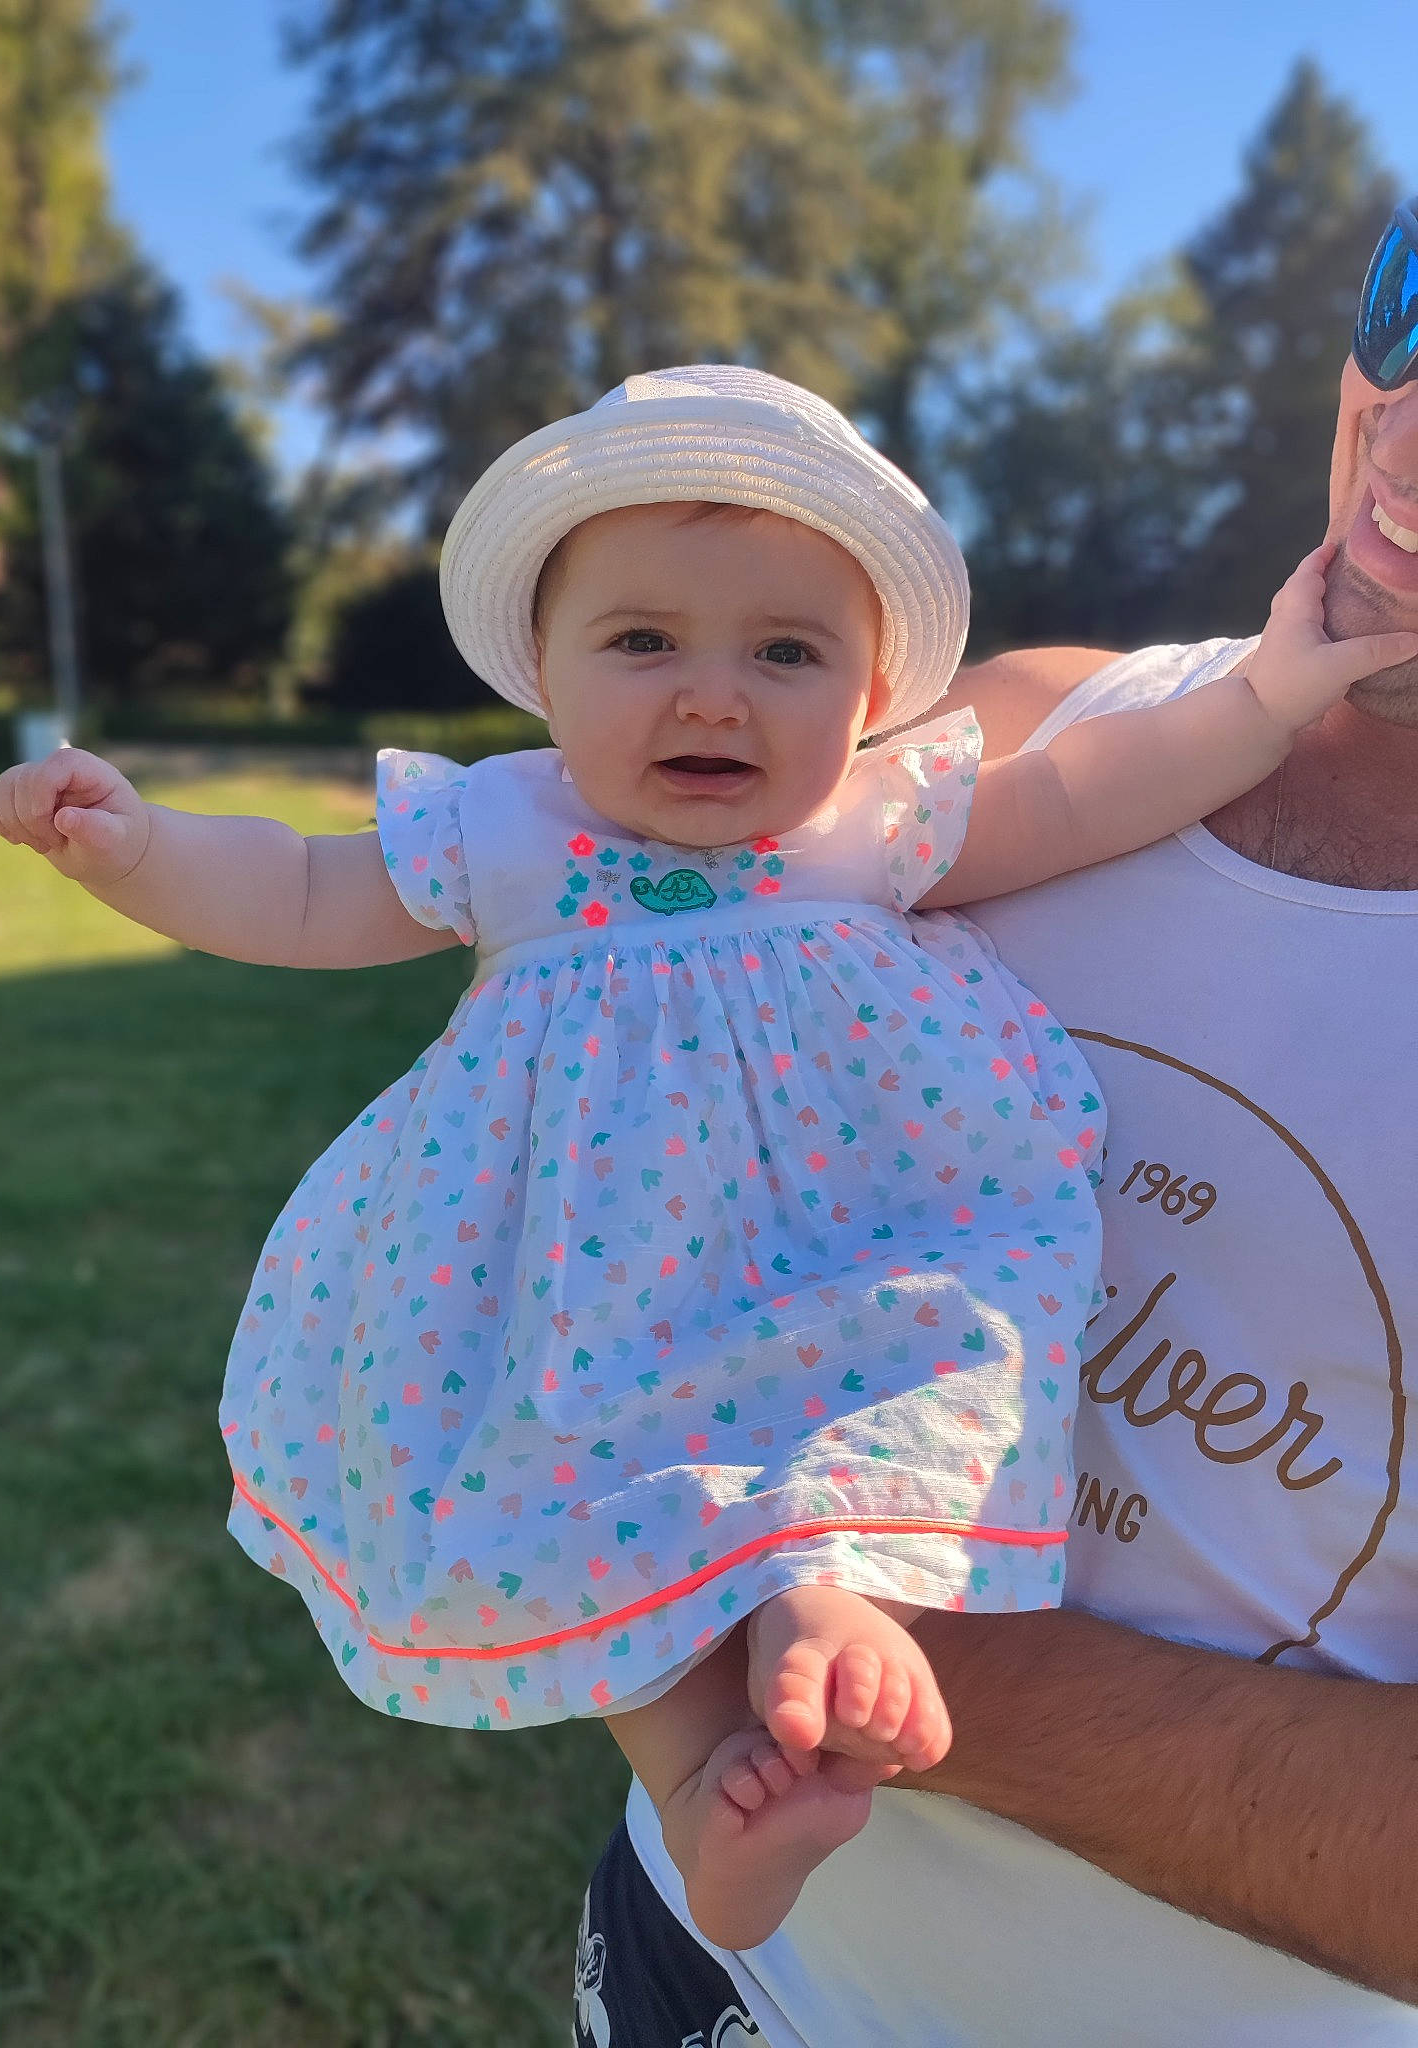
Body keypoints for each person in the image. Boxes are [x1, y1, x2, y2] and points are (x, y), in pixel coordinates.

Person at [0, 365, 1411, 1957]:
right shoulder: (511, 830)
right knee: (582, 1471)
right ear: (544, 670)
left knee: (909, 1363)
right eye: (644, 642)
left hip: (847, 1237)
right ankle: (699, 1788)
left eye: (785, 653)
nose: (712, 695)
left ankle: (838, 1594)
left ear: (873, 700)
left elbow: (1089, 787)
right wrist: (133, 846)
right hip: (594, 1265)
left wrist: (1269, 697)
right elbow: (309, 897)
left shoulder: (864, 828)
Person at [573, 205, 1418, 2042]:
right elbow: (621, 922)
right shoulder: (1013, 727)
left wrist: (804, 1621)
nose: (1410, 438)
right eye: (1414, 297)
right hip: (693, 1969)